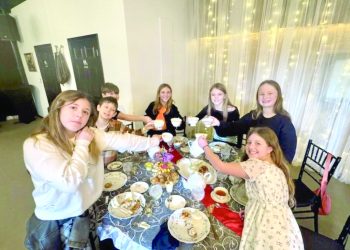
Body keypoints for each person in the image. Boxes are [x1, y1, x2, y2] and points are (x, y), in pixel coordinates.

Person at [23, 90, 160, 249]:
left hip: (87, 208)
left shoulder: (90, 134)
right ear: (58, 108)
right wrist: (82, 144)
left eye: (85, 111)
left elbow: (123, 140)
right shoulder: (37, 144)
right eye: (73, 107)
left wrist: (151, 141)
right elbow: (69, 182)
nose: (79, 115)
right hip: (60, 217)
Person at [198, 127, 304, 249]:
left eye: (258, 143)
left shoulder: (256, 165)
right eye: (249, 142)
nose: (251, 147)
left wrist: (205, 146)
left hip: (267, 224)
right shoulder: (278, 168)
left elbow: (220, 166)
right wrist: (252, 209)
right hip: (286, 224)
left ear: (270, 148)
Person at [213, 80, 297, 162]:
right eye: (261, 94)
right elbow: (232, 128)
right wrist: (217, 123)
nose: (265, 97)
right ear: (257, 97)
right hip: (249, 161)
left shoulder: (285, 123)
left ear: (278, 96)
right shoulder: (252, 116)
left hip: (270, 168)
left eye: (270, 93)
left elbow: (287, 157)